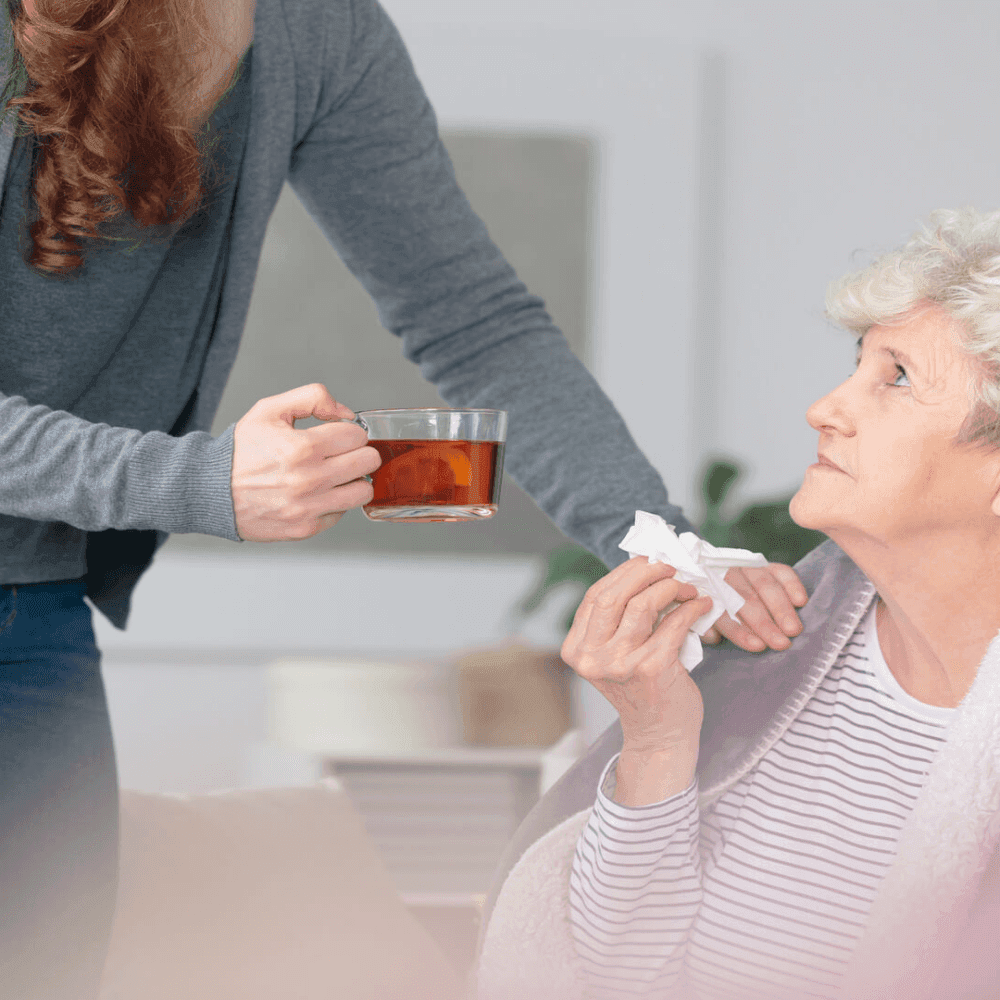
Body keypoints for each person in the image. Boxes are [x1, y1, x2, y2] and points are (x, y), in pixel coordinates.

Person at [0, 1, 806, 997]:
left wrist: (667, 554)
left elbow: (477, 323)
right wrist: (196, 481)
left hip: (34, 603)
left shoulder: (318, 32)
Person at [474, 206, 1000, 1000]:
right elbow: (602, 976)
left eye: (896, 377)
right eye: (858, 362)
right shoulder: (773, 651)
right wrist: (655, 739)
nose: (825, 407)